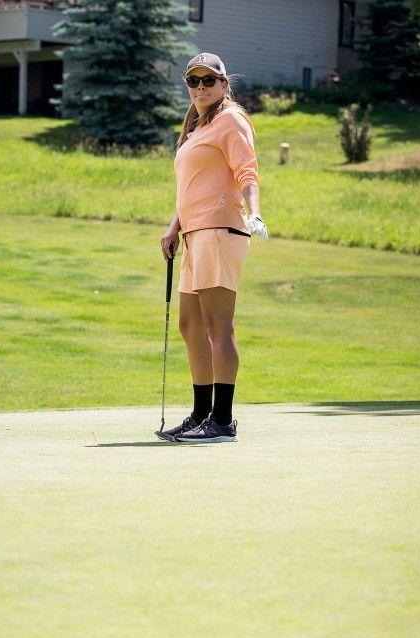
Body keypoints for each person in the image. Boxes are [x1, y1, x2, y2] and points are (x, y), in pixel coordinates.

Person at [159, 52, 268, 443]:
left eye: (209, 80)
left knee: (217, 326)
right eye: (194, 81)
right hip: (194, 234)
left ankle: (222, 421)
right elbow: (189, 188)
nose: (201, 87)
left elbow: (247, 171)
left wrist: (255, 213)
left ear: (224, 84)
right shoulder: (195, 128)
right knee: (191, 326)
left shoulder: (231, 120)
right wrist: (174, 229)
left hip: (220, 230)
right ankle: (201, 413)